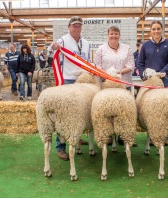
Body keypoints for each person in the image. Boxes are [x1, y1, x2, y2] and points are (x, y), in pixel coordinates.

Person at [50, 16, 90, 161]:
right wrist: (54, 46)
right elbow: (52, 47)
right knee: (63, 113)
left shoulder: (86, 43)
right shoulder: (64, 40)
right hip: (67, 80)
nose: (76, 28)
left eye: (79, 26)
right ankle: (60, 147)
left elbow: (87, 61)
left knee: (79, 111)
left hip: (81, 81)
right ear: (69, 27)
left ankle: (77, 137)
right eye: (74, 26)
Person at [94, 26, 136, 146]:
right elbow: (97, 65)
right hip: (106, 84)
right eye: (111, 34)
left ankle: (123, 135)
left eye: (116, 33)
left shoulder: (126, 48)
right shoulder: (101, 49)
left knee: (124, 110)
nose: (114, 36)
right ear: (108, 35)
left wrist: (119, 73)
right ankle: (108, 135)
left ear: (119, 35)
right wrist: (107, 74)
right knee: (106, 109)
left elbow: (131, 65)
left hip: (123, 83)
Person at [137, 20, 168, 146]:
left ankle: (166, 135)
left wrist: (161, 73)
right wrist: (144, 75)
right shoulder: (146, 46)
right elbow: (140, 62)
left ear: (162, 29)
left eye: (158, 29)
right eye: (154, 29)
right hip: (151, 81)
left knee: (167, 108)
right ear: (150, 31)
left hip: (165, 79)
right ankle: (153, 135)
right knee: (152, 108)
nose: (156, 31)